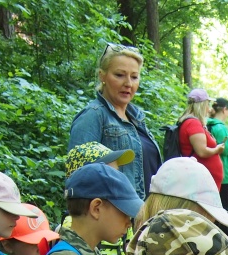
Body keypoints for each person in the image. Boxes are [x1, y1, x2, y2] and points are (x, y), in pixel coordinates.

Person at [68, 43, 161, 199]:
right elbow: (77, 180)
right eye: (119, 75)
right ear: (102, 76)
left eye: (134, 77)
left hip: (146, 211)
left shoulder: (137, 118)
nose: (128, 83)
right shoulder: (93, 115)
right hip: (116, 211)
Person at [62, 142, 137, 255]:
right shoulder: (72, 245)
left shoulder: (118, 221)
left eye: (117, 172)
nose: (118, 179)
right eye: (109, 172)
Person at [177, 88, 224, 190]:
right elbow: (202, 152)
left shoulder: (193, 122)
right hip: (202, 182)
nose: (209, 109)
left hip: (205, 181)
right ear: (201, 105)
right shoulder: (193, 123)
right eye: (207, 104)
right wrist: (217, 150)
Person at [207, 97, 228, 213]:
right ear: (225, 109)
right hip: (224, 174)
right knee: (223, 208)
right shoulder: (220, 127)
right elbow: (227, 150)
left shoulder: (208, 124)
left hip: (211, 171)